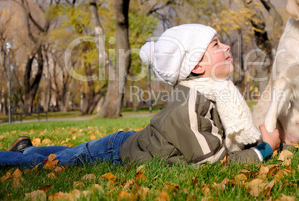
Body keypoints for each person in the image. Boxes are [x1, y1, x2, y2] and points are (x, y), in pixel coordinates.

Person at [1, 24, 283, 168]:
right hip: (117, 154)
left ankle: (25, 149)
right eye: (216, 44)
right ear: (196, 65)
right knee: (56, 163)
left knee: (68, 153)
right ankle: (16, 157)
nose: (227, 46)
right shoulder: (190, 103)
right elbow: (213, 161)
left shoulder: (218, 94)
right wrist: (264, 150)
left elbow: (228, 138)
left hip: (128, 141)